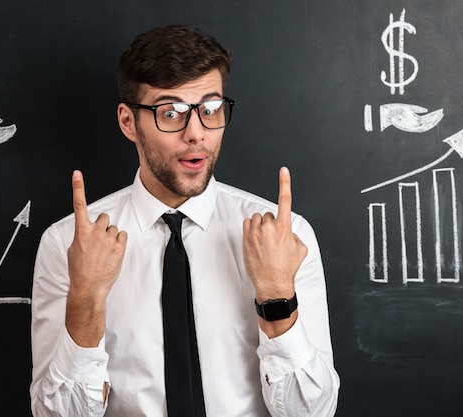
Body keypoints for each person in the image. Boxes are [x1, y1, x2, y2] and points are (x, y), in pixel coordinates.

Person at [30, 24, 339, 417]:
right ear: (128, 122)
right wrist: (85, 302)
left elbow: (313, 413)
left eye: (209, 109)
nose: (196, 134)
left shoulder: (287, 235)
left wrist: (277, 294)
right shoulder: (68, 244)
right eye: (170, 113)